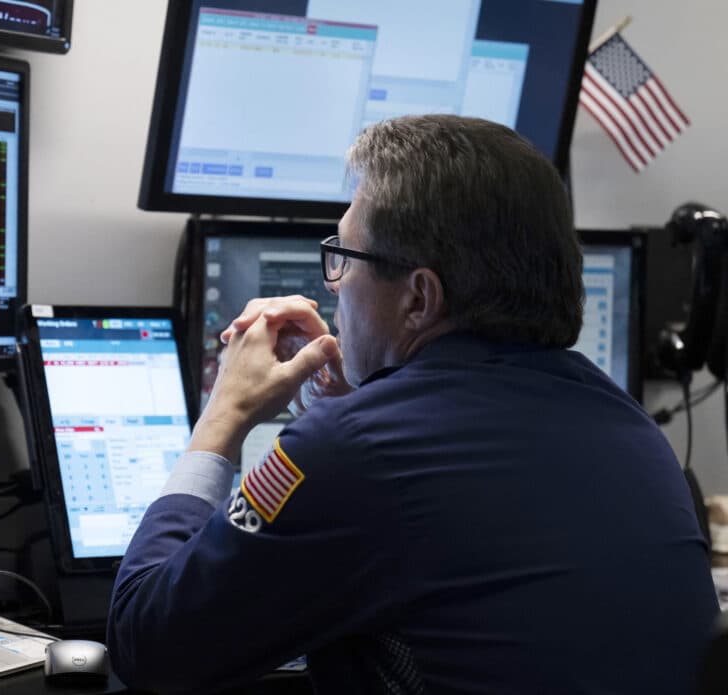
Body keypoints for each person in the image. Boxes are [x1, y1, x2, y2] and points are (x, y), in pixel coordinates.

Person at [106, 115, 719, 694]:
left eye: (344, 258)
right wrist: (361, 410)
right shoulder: (633, 428)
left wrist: (225, 415)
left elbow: (149, 644)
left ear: (420, 299)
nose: (333, 284)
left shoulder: (359, 450)